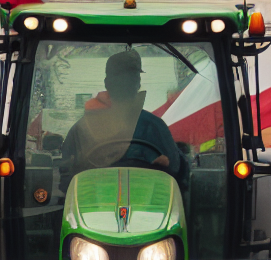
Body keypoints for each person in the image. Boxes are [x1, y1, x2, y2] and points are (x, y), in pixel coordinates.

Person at [62, 50, 187, 184]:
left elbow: (66, 173)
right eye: (126, 79)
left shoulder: (81, 128)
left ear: (107, 83)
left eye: (130, 78)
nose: (126, 83)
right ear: (138, 84)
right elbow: (177, 170)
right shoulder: (154, 126)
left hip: (94, 200)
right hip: (146, 200)